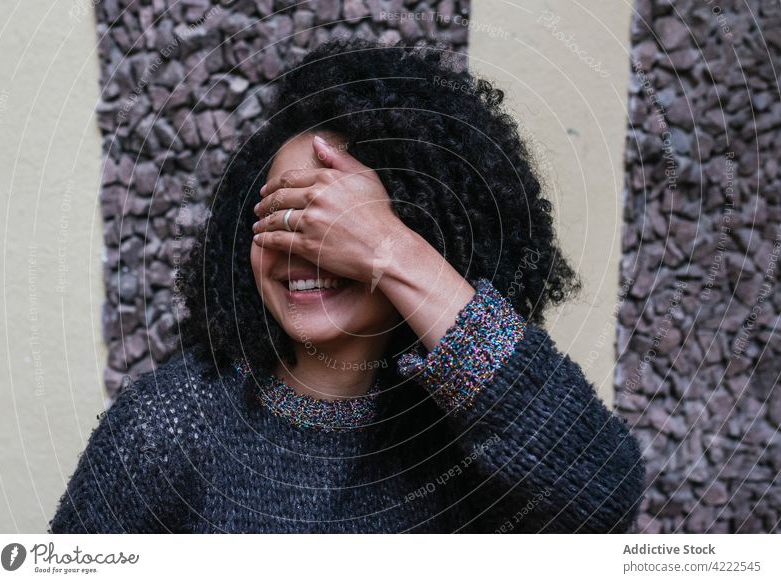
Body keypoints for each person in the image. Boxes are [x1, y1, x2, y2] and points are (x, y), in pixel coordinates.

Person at [49, 38, 646, 534]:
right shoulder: (176, 420)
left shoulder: (464, 444)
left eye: (340, 223)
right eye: (285, 214)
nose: (306, 246)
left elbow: (601, 491)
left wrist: (388, 248)